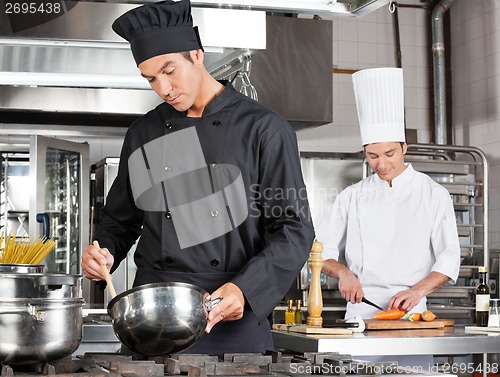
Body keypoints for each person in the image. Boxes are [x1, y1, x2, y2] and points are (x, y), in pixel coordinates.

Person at [80, 0, 314, 357]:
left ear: (197, 54)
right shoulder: (144, 132)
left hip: (228, 316)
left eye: (169, 70)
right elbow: (119, 219)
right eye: (151, 79)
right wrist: (104, 251)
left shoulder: (263, 129)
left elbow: (294, 230)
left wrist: (245, 289)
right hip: (151, 324)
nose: (163, 87)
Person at [316, 67, 460, 369]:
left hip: (411, 316)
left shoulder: (433, 194)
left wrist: (417, 291)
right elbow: (320, 254)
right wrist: (343, 272)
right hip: (360, 315)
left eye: (390, 154)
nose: (382, 164)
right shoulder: (351, 196)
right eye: (373, 156)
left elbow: (448, 260)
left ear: (405, 147)